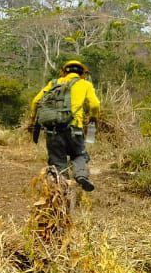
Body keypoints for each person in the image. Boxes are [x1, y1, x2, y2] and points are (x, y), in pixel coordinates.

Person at [28, 59, 101, 191]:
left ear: (64, 72)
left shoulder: (53, 83)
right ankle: (80, 175)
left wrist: (32, 120)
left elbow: (35, 101)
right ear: (82, 73)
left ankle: (62, 191)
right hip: (75, 129)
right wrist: (93, 117)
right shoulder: (85, 84)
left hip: (53, 130)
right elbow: (95, 104)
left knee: (58, 162)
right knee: (79, 155)